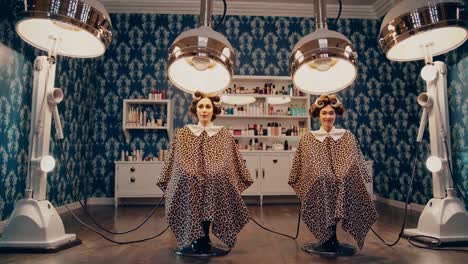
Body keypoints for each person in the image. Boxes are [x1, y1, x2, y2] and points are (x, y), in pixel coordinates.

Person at [157, 91, 253, 256]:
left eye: (208, 106)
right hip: (189, 179)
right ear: (195, 109)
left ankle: (205, 238)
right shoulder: (185, 133)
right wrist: (190, 172)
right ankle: (196, 239)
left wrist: (215, 171)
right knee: (190, 179)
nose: (204, 110)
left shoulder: (223, 134)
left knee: (215, 179)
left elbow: (228, 161)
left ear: (213, 110)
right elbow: (177, 161)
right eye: (201, 106)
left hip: (215, 180)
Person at [288, 94, 377, 256]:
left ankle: (332, 239)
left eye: (331, 113)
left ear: (336, 115)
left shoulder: (347, 136)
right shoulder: (309, 138)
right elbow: (303, 165)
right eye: (324, 113)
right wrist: (322, 174)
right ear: (318, 115)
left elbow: (354, 160)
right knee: (322, 179)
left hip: (342, 182)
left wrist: (343, 174)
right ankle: (326, 239)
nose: (327, 116)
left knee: (342, 181)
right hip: (318, 183)